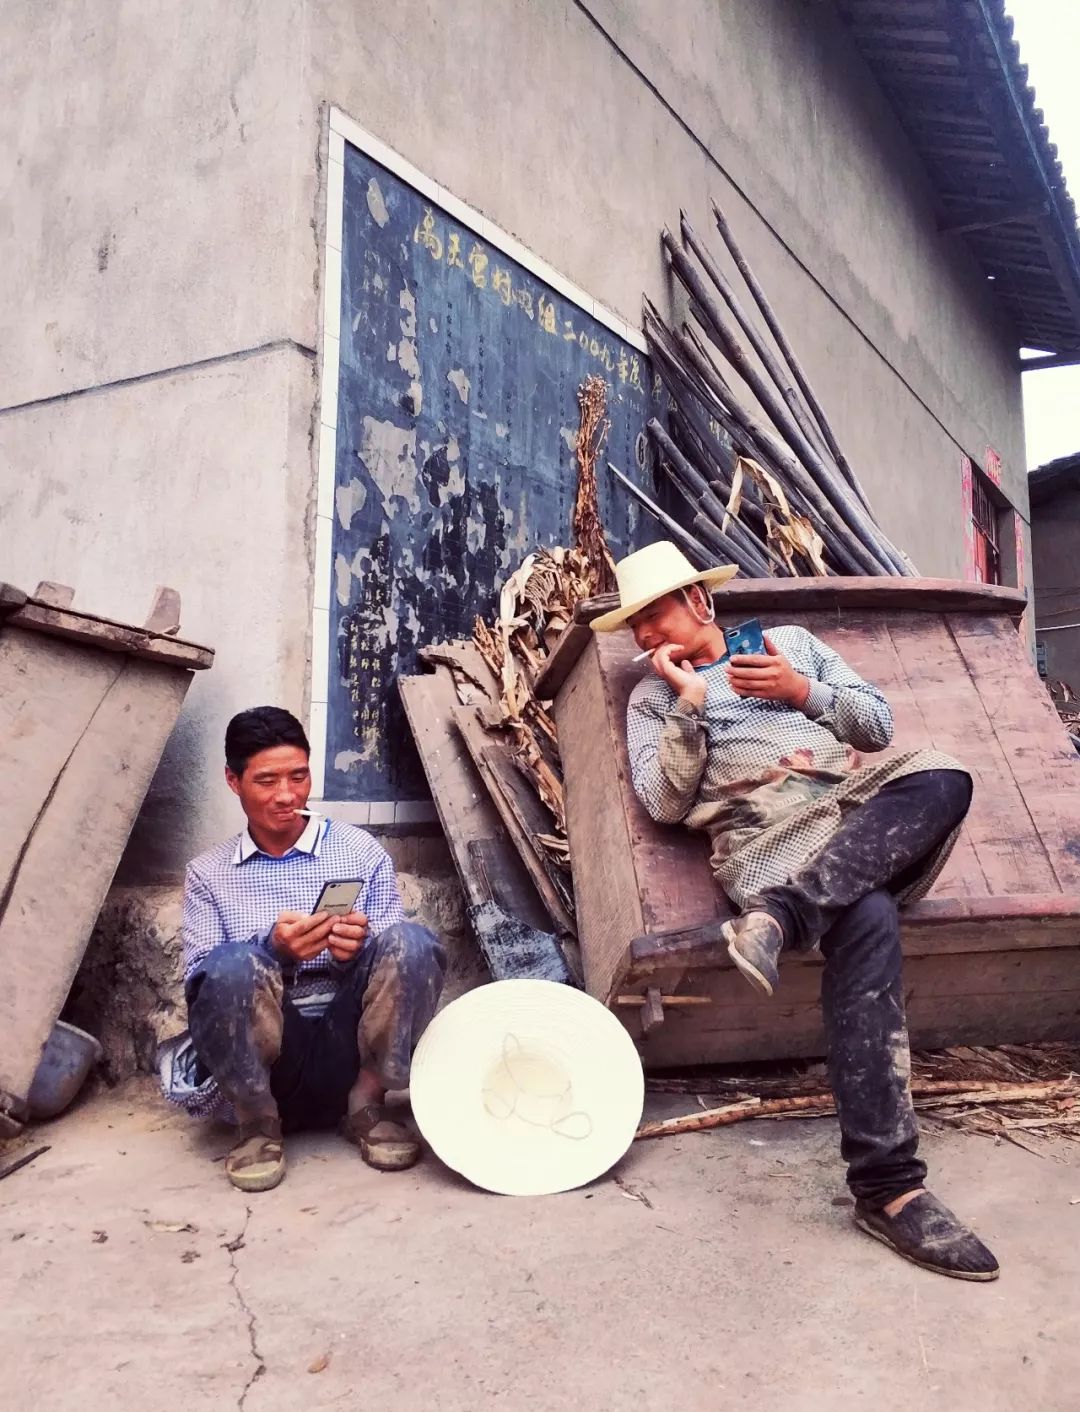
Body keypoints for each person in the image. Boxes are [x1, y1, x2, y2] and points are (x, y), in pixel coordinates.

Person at [592, 541, 999, 1281]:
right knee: (867, 917)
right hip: (764, 840)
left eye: (654, 614)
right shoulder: (652, 699)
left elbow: (877, 726)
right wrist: (690, 707)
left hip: (849, 821)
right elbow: (664, 803)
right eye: (635, 626)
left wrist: (801, 691)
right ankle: (890, 1190)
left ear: (699, 601)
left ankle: (783, 918)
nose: (645, 635)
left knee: (945, 772)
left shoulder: (793, 646)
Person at [159, 706, 446, 1192]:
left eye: (298, 776)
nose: (287, 795)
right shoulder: (208, 873)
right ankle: (257, 1122)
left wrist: (354, 954)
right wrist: (272, 950)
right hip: (268, 1063)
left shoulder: (360, 851)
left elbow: (395, 962)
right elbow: (199, 985)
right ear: (233, 781)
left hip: (348, 1050)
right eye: (266, 781)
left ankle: (367, 1104)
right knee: (230, 964)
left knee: (412, 943)